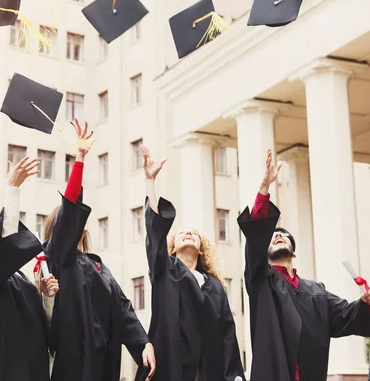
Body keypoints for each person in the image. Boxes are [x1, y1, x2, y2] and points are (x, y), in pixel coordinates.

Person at [238, 149, 370, 381]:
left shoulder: (316, 292)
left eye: (283, 235)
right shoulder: (261, 281)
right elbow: (255, 241)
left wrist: (365, 303)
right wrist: (264, 187)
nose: (277, 237)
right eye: (272, 236)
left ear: (294, 252)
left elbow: (346, 317)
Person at [43, 120, 156, 381]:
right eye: (69, 222)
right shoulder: (59, 256)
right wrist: (80, 159)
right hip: (74, 361)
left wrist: (143, 343)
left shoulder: (98, 266)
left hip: (104, 361)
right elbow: (70, 207)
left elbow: (123, 309)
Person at [140, 145, 244, 381]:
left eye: (194, 234)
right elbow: (154, 234)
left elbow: (227, 332)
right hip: (171, 365)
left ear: (202, 248)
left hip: (206, 369)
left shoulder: (215, 286)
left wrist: (235, 377)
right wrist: (150, 183)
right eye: (182, 233)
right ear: (173, 247)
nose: (188, 234)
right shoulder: (164, 271)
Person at [0, 156, 57, 381]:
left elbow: (44, 331)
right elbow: (7, 243)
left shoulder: (21, 277)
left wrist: (46, 297)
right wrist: (12, 189)